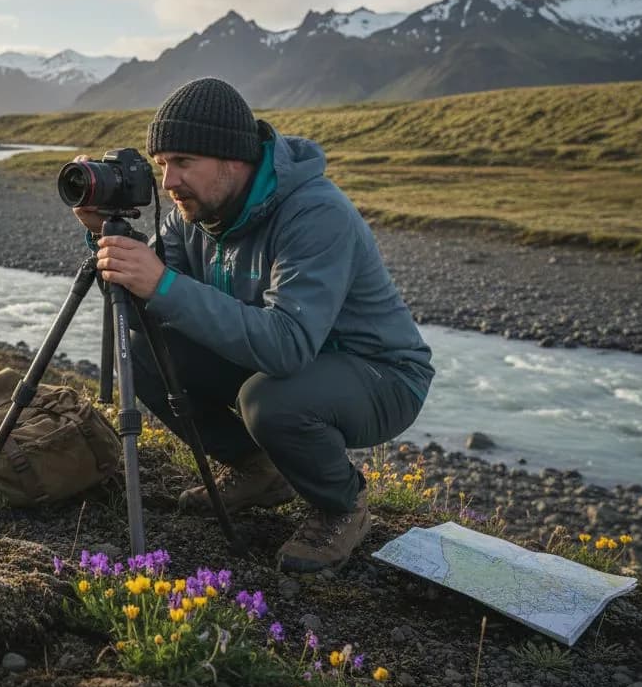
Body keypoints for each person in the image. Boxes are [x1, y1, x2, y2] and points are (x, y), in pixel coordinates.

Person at [71, 76, 433, 573]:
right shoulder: (191, 215)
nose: (169, 182)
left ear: (233, 159)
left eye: (184, 162)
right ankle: (256, 470)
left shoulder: (315, 213)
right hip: (286, 360)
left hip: (381, 373)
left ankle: (342, 505)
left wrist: (163, 284)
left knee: (270, 401)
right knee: (145, 351)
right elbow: (143, 313)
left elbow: (288, 344)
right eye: (162, 164)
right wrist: (106, 241)